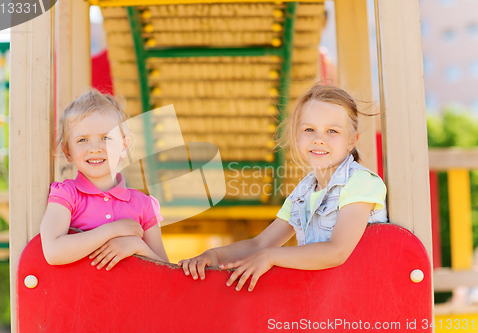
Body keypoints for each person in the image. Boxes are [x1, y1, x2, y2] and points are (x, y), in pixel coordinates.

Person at [179, 84, 387, 291]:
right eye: (309, 129)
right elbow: (260, 245)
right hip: (326, 301)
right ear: (297, 137)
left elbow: (337, 251)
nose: (319, 139)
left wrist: (271, 257)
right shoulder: (303, 192)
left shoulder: (360, 182)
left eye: (332, 130)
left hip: (363, 300)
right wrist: (213, 255)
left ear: (352, 140)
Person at [40, 89, 169, 270]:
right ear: (67, 151)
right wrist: (112, 230)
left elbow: (166, 273)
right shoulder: (66, 195)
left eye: (106, 138)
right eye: (82, 140)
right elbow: (53, 251)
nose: (94, 148)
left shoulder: (145, 205)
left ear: (124, 146)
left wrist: (137, 246)